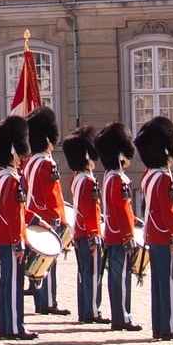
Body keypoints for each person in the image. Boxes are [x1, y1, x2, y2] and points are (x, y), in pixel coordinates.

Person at [136, 116, 173, 342]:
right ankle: (170, 326)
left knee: (158, 283)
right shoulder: (164, 178)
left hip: (153, 234)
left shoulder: (148, 176)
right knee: (169, 282)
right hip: (164, 236)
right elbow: (167, 212)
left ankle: (159, 326)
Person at [0, 114, 33, 341]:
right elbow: (12, 214)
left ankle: (6, 324)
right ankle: (14, 326)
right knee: (14, 283)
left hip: (4, 236)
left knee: (7, 283)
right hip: (11, 237)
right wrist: (18, 240)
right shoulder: (11, 179)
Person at [93, 122, 141, 332]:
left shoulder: (111, 177)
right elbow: (120, 210)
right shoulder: (117, 179)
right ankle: (121, 316)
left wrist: (135, 221)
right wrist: (129, 234)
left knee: (118, 276)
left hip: (114, 233)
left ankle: (121, 314)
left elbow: (123, 209)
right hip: (119, 235)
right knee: (120, 277)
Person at [22, 108, 69, 316]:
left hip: (34, 212)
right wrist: (59, 218)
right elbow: (53, 196)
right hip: (48, 216)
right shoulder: (47, 163)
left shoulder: (30, 161)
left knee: (38, 261)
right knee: (48, 261)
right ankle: (48, 302)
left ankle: (41, 299)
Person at [63, 126, 103, 323]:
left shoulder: (75, 178)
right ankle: (92, 311)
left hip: (79, 231)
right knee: (92, 273)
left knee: (84, 272)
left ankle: (85, 310)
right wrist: (95, 233)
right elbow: (90, 211)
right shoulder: (88, 181)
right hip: (88, 233)